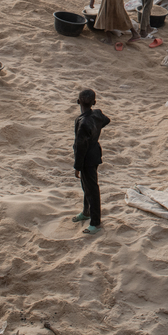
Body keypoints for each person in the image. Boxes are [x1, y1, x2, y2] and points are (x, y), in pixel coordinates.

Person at [72, 89, 110, 235]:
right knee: (86, 186)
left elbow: (81, 148)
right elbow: (106, 120)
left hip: (87, 160)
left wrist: (77, 167)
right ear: (94, 102)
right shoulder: (97, 115)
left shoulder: (82, 123)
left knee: (92, 189)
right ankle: (86, 212)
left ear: (78, 102)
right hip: (95, 154)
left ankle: (95, 222)